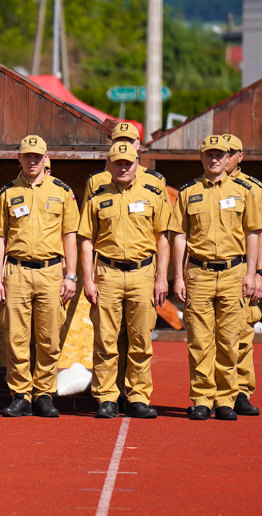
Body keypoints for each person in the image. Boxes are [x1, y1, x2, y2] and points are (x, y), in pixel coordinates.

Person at [171, 135, 261, 421]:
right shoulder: (188, 193)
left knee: (229, 339)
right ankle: (201, 398)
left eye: (220, 155)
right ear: (201, 158)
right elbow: (180, 236)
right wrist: (178, 277)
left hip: (235, 273)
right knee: (199, 339)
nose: (214, 160)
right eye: (209, 155)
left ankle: (226, 398)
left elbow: (253, 233)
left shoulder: (244, 191)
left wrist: (252, 273)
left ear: (228, 158)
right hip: (198, 273)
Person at [0, 136, 80, 417]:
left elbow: (70, 237)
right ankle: (21, 395)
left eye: (37, 156)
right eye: (27, 156)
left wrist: (71, 276)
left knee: (49, 337)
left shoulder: (62, 192)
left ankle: (44, 393)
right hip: (16, 272)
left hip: (52, 273)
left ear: (45, 157)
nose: (32, 161)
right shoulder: (7, 193)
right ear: (19, 157)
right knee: (16, 337)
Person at [78, 142, 170, 419]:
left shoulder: (153, 193)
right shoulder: (97, 196)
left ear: (136, 163)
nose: (123, 167)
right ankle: (107, 397)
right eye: (117, 162)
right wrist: (88, 279)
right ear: (108, 165)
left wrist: (162, 277)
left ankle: (139, 397)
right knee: (106, 340)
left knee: (141, 340)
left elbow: (162, 238)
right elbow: (86, 240)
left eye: (128, 162)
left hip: (143, 274)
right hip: (107, 274)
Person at [223, 133, 262, 416]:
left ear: (240, 156)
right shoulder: (203, 187)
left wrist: (258, 273)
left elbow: (258, 234)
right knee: (212, 336)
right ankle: (216, 392)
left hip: (243, 273)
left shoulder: (254, 189)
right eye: (220, 152)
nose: (224, 157)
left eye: (230, 152)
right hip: (210, 273)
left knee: (244, 333)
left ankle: (241, 392)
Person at [83, 122, 167, 203]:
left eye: (129, 142)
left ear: (138, 144)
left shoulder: (155, 180)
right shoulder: (95, 180)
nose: (124, 147)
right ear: (112, 144)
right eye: (119, 142)